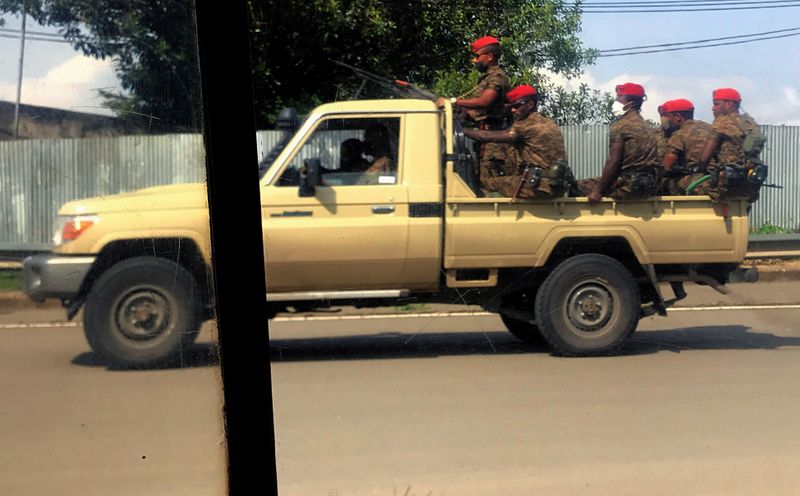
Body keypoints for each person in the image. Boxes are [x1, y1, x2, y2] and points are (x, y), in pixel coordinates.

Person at [463, 84, 568, 199]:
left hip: (537, 187)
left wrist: (461, 130)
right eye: (512, 106)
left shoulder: (526, 125)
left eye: (517, 106)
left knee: (486, 183)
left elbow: (486, 136)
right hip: (555, 186)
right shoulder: (546, 122)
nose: (513, 110)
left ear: (530, 105)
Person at [436, 35, 511, 193]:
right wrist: (460, 111)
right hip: (486, 140)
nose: (474, 61)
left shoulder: (497, 77)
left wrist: (453, 101)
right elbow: (478, 111)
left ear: (489, 57)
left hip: (496, 143)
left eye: (477, 56)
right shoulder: (486, 78)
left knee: (492, 188)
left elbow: (485, 101)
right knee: (481, 184)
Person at [577, 82, 660, 202]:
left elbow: (613, 161)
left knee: (578, 185)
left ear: (630, 103)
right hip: (648, 186)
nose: (616, 100)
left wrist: (598, 191)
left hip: (627, 186)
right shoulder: (647, 126)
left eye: (619, 97)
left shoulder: (621, 126)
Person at [697, 88, 765, 202]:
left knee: (683, 183)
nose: (713, 108)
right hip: (749, 185)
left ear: (729, 104)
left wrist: (700, 168)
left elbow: (704, 158)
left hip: (724, 185)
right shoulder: (751, 123)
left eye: (716, 104)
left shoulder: (722, 121)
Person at [656, 99, 713, 195]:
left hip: (698, 181)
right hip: (717, 178)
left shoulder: (680, 133)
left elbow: (668, 162)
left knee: (663, 183)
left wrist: (658, 176)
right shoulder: (708, 127)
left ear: (678, 117)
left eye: (668, 116)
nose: (664, 119)